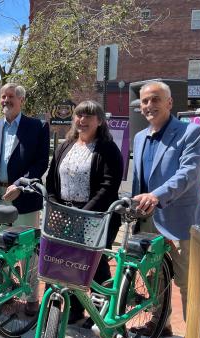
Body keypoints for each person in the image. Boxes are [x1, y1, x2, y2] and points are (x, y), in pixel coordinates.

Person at [131, 81, 200, 337]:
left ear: (169, 102)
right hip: (150, 219)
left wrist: (156, 196)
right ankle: (160, 322)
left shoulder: (191, 133)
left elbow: (188, 174)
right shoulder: (140, 136)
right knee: (155, 275)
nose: (149, 105)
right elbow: (139, 179)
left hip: (181, 219)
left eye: (155, 99)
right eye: (144, 101)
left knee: (187, 280)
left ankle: (194, 334)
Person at [0, 82, 50, 316]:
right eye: (3, 97)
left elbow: (40, 163)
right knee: (0, 248)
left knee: (27, 250)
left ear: (21, 100)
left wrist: (20, 185)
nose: (6, 101)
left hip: (24, 199)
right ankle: (2, 290)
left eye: (10, 97)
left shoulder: (37, 127)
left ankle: (31, 297)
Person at [45, 100, 123, 324]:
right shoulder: (66, 145)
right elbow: (51, 179)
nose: (82, 120)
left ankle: (100, 312)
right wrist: (53, 205)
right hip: (63, 212)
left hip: (95, 216)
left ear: (99, 121)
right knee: (67, 263)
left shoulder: (107, 148)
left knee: (95, 264)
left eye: (89, 116)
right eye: (79, 115)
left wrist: (83, 214)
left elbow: (108, 187)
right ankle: (74, 309)